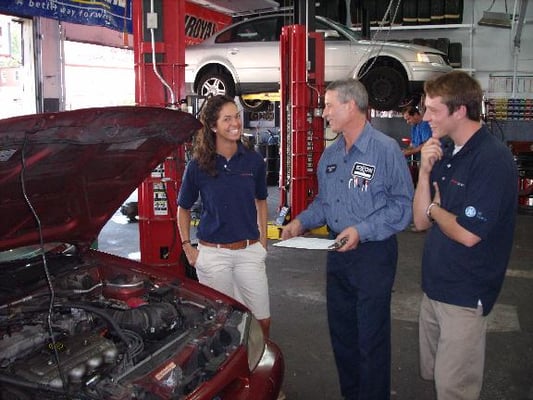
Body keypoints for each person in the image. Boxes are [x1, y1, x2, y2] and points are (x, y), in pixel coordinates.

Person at [281, 79, 414, 400]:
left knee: (371, 339)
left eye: (329, 105)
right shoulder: (331, 155)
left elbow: (402, 205)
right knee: (343, 336)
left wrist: (361, 230)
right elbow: (325, 205)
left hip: (373, 256)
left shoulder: (385, 150)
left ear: (351, 106)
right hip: (338, 254)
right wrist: (300, 222)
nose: (323, 112)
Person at [412, 70, 518, 400]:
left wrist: (435, 210)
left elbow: (468, 234)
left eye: (433, 110)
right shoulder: (444, 152)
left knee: (454, 389)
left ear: (460, 111)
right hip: (434, 289)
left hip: (465, 295)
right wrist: (425, 173)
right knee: (435, 378)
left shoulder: (492, 160)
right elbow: (419, 223)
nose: (426, 117)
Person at [177, 95, 271, 337]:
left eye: (237, 117)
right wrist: (188, 248)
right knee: (220, 323)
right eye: (227, 119)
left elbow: (261, 200)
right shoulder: (198, 165)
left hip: (249, 251)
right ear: (213, 126)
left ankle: (255, 365)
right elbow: (183, 208)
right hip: (213, 254)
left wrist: (263, 242)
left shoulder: (254, 161)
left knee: (261, 319)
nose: (235, 123)